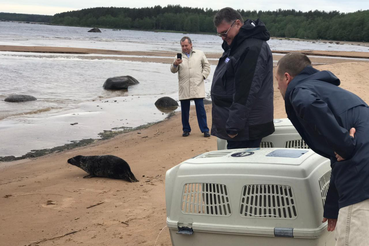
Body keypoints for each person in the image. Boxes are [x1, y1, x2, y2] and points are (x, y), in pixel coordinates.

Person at [276, 52, 369, 245]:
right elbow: (338, 156)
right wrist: (333, 206)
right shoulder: (327, 91)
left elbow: (344, 150)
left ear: (287, 77)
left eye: (277, 81)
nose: (277, 87)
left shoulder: (299, 90)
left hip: (361, 176)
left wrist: (345, 146)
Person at [211, 7, 274, 149]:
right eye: (220, 35)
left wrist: (234, 126)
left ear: (238, 23)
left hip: (246, 128)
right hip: (242, 126)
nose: (223, 37)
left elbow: (246, 91)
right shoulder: (237, 45)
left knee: (238, 169)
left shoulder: (251, 48)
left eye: (225, 33)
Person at [170, 36, 211, 137]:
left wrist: (203, 76)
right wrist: (175, 64)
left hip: (197, 85)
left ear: (191, 45)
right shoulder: (178, 57)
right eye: (182, 46)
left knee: (200, 110)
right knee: (184, 111)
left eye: (186, 45)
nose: (184, 48)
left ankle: (205, 130)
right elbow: (173, 70)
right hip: (184, 86)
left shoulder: (200, 54)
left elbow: (207, 66)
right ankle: (186, 130)